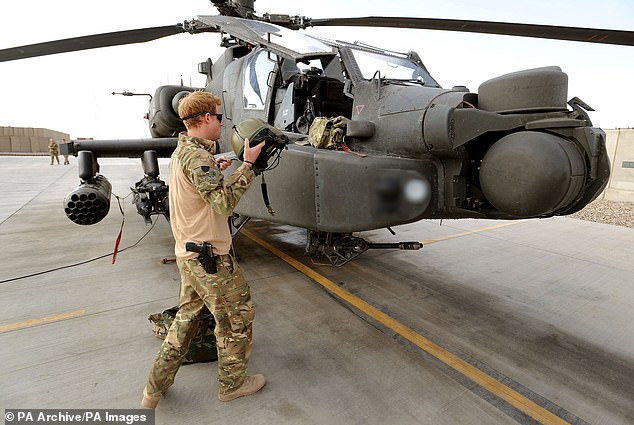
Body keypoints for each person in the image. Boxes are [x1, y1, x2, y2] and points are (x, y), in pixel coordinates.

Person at [142, 90, 266, 408]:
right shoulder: (197, 158)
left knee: (186, 322)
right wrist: (248, 166)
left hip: (189, 254)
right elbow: (223, 203)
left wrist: (216, 164)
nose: (223, 124)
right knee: (237, 317)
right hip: (209, 258)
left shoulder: (185, 151)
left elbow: (200, 189)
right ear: (207, 117)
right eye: (220, 117)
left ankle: (153, 390)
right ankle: (233, 384)